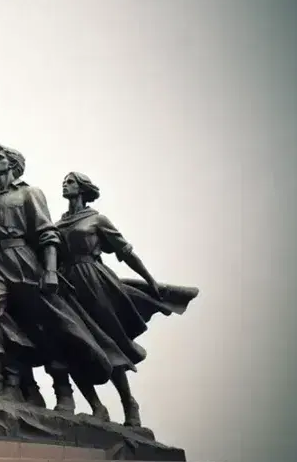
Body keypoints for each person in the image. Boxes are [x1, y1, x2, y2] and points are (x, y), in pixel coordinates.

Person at [0, 144, 121, 410]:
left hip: (25, 263)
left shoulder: (30, 193)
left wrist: (51, 271)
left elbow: (47, 233)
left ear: (12, 164)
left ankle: (64, 391)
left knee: (45, 328)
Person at [55, 171, 198, 426]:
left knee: (109, 342)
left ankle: (128, 403)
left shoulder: (97, 219)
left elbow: (125, 251)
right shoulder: (57, 224)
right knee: (73, 344)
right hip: (67, 287)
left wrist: (150, 280)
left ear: (83, 189)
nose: (65, 185)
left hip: (95, 282)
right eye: (64, 182)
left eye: (71, 181)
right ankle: (97, 407)